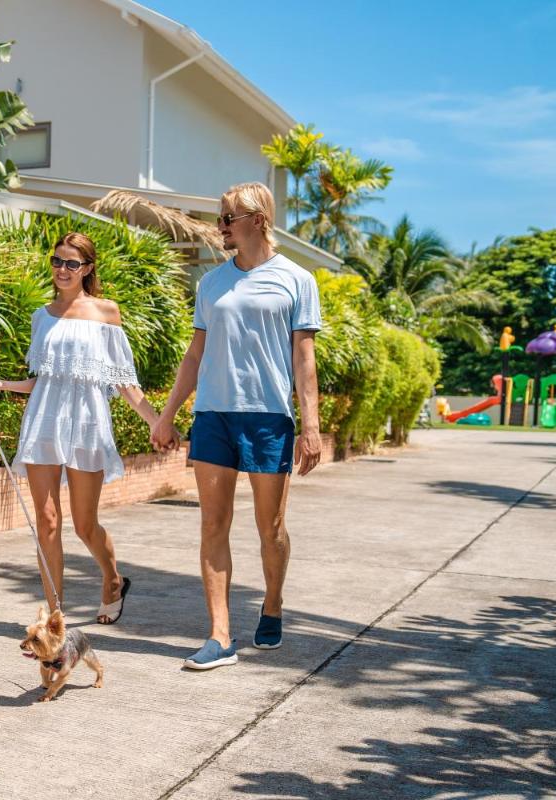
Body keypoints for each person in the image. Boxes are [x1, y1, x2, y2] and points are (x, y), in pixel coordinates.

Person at [151, 182, 322, 670]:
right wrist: (168, 414)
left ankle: (273, 604)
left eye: (228, 217)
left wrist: (310, 426)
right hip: (213, 415)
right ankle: (220, 636)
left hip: (268, 417)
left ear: (258, 220)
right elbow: (195, 353)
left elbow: (304, 358)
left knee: (271, 529)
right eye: (220, 216)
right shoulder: (211, 283)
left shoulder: (296, 279)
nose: (220, 225)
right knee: (213, 524)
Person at [0, 232, 161, 624]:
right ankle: (54, 617)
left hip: (87, 423)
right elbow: (44, 380)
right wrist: (0, 385)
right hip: (44, 422)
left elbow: (124, 381)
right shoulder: (41, 316)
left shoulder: (106, 312)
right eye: (57, 261)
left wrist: (158, 422)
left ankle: (113, 579)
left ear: (87, 268)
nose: (62, 269)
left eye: (72, 263)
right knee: (47, 521)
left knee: (85, 524)